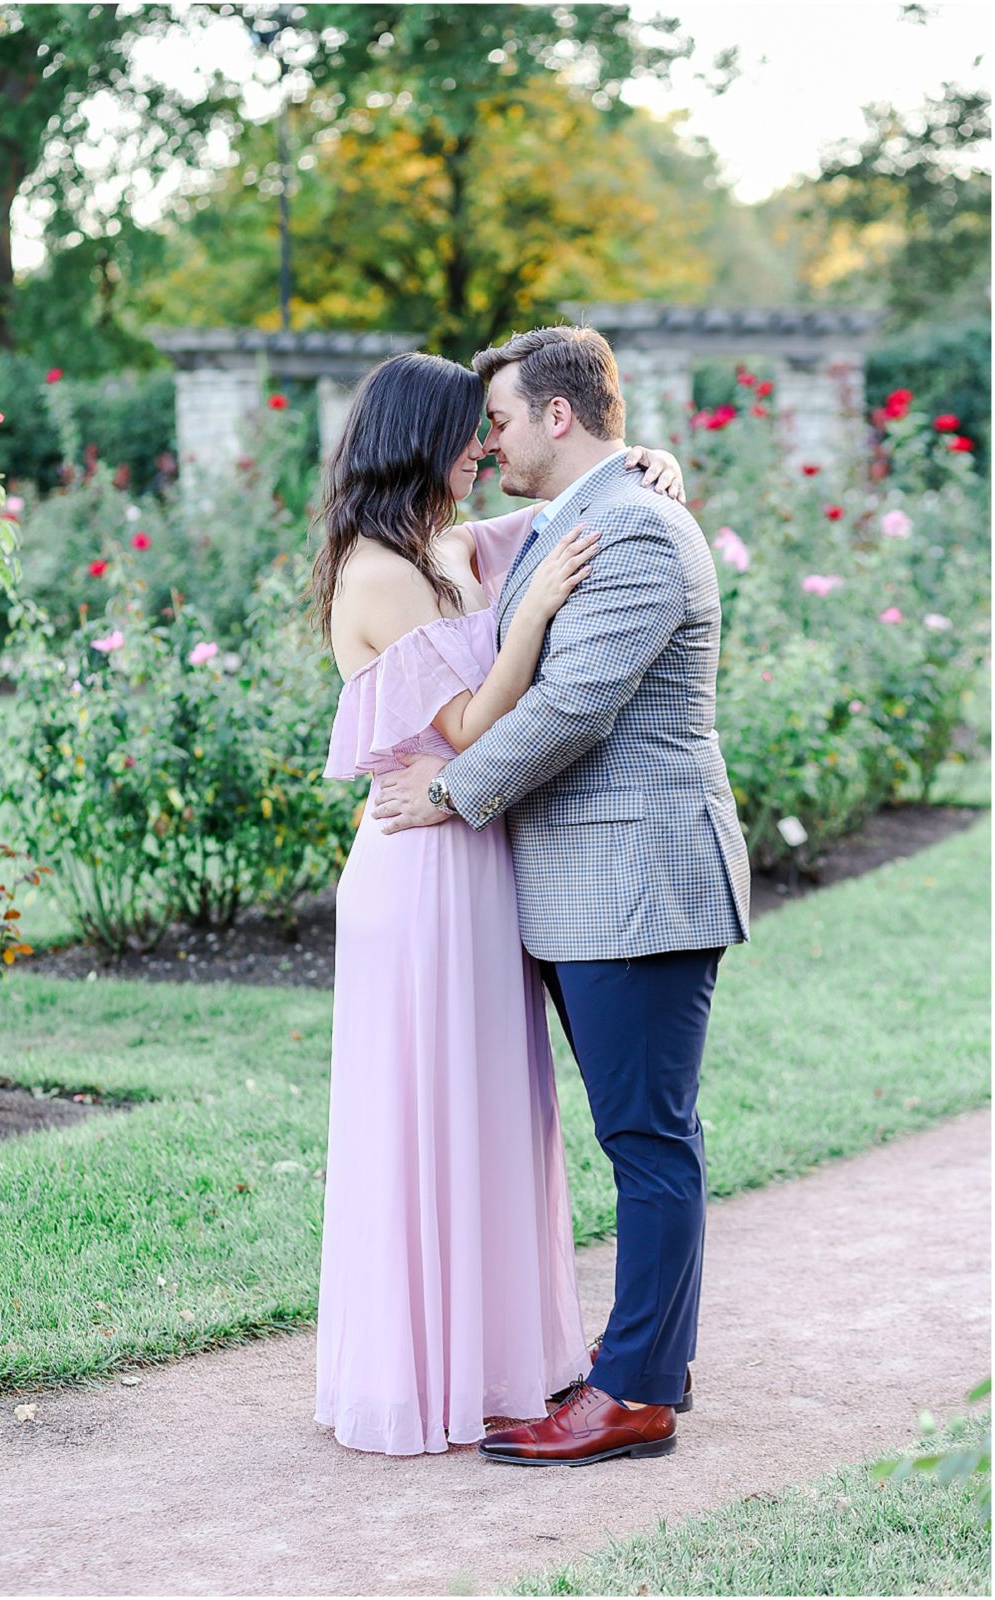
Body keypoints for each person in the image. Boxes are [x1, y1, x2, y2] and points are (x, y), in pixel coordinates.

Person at [372, 325, 751, 1467]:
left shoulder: (630, 527)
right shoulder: (566, 520)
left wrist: (452, 790)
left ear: (556, 414)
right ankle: (648, 1362)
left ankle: (633, 1393)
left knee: (647, 1138)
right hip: (588, 884)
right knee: (639, 1133)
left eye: (497, 419)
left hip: (638, 880)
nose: (485, 442)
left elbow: (576, 703)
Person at [310, 350, 686, 1457]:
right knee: (428, 1113)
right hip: (419, 864)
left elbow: (577, 496)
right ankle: (422, 1372)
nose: (485, 444)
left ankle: (499, 1360)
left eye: (494, 425)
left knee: (489, 1113)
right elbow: (469, 726)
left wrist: (646, 458)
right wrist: (533, 623)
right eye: (469, 430)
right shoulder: (376, 569)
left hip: (477, 857)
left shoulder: (451, 544)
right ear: (422, 439)